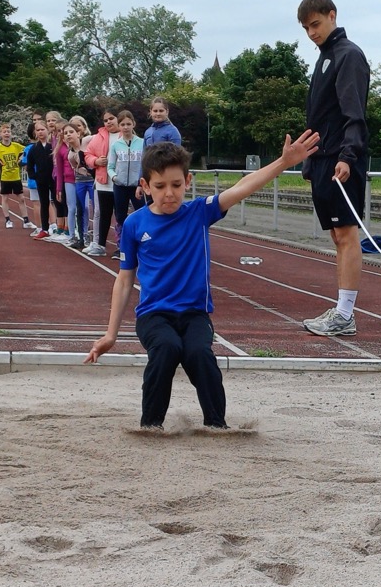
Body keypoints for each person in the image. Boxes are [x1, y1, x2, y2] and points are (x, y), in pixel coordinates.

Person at [84, 132, 319, 430]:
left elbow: (242, 187)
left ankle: (216, 425)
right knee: (167, 348)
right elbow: (125, 279)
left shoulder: (199, 212)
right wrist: (111, 334)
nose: (169, 193)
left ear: (188, 181)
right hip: (153, 315)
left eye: (176, 185)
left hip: (195, 314)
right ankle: (150, 426)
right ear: (145, 186)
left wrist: (283, 162)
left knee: (199, 354)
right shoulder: (134, 224)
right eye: (160, 186)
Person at [297, 0, 370, 337]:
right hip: (323, 158)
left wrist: (347, 156)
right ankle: (342, 311)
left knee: (346, 233)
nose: (312, 32)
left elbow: (354, 113)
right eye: (306, 28)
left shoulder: (348, 55)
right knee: (337, 236)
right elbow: (320, 116)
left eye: (315, 24)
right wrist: (310, 159)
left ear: (332, 15)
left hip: (341, 159)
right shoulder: (324, 57)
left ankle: (344, 314)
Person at [84, 107, 121, 257]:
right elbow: (87, 154)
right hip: (103, 182)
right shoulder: (99, 137)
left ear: (118, 119)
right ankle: (100, 245)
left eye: (111, 118)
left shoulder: (126, 134)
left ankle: (121, 247)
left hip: (120, 182)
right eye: (105, 120)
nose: (108, 122)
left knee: (120, 215)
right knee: (104, 214)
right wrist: (96, 161)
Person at [0, 124, 35, 229]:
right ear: (0, 134)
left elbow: (27, 150)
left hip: (16, 177)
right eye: (4, 132)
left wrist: (21, 158)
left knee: (21, 199)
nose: (7, 133)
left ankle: (26, 220)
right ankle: (8, 220)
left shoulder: (16, 146)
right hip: (5, 177)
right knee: (5, 198)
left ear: (11, 134)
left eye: (8, 131)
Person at [108, 110, 144, 259]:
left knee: (140, 214)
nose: (126, 127)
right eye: (122, 124)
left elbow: (145, 164)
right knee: (120, 216)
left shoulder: (142, 143)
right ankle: (121, 246)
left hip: (137, 186)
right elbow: (110, 166)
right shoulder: (116, 145)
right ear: (119, 126)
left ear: (133, 124)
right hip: (120, 186)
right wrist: (115, 177)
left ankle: (141, 244)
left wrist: (141, 181)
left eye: (128, 124)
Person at [136, 97, 181, 206]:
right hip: (150, 178)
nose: (158, 113)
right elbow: (144, 158)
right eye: (155, 111)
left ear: (167, 112)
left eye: (161, 110)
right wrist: (140, 183)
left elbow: (177, 157)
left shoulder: (173, 131)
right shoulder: (148, 132)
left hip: (165, 179)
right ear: (150, 112)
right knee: (151, 207)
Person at [26, 120, 55, 240]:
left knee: (57, 202)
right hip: (41, 180)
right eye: (38, 130)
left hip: (54, 179)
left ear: (48, 130)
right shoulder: (34, 149)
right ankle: (44, 229)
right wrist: (34, 176)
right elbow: (29, 165)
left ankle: (59, 228)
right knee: (44, 203)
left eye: (42, 129)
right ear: (35, 133)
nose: (40, 132)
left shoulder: (53, 146)